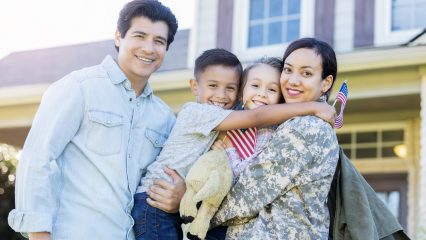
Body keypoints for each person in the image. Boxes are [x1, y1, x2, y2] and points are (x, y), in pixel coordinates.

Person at [8, 1, 185, 239]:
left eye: (159, 41)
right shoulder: (78, 88)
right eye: (139, 36)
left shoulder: (164, 118)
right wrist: (39, 234)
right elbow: (37, 159)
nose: (148, 48)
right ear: (118, 37)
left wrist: (179, 197)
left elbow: (166, 179)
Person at [132, 48, 337, 240]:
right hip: (156, 198)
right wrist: (312, 106)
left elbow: (248, 190)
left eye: (229, 88)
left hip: (178, 204)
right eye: (213, 86)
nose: (221, 95)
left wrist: (188, 202)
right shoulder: (199, 113)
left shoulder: (296, 129)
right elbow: (256, 115)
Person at [211, 38, 341, 239]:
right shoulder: (290, 122)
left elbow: (248, 196)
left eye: (306, 73)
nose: (293, 80)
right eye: (288, 70)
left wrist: (195, 212)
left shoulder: (306, 127)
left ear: (326, 83)